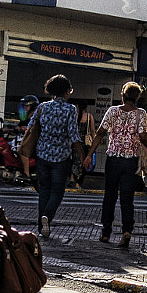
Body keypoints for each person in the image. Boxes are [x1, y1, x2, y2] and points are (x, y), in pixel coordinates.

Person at [86, 81, 147, 248]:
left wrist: (89, 154)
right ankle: (127, 231)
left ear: (122, 95)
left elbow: (100, 133)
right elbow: (143, 135)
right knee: (127, 198)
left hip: (113, 160)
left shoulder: (112, 111)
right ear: (137, 97)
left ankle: (106, 233)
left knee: (110, 196)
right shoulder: (141, 113)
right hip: (131, 161)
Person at [31, 76, 82, 238]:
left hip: (42, 154)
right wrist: (83, 155)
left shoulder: (42, 107)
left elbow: (31, 127)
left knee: (44, 190)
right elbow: (74, 135)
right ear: (67, 91)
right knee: (58, 191)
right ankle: (48, 216)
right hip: (61, 157)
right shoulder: (71, 109)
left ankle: (41, 226)